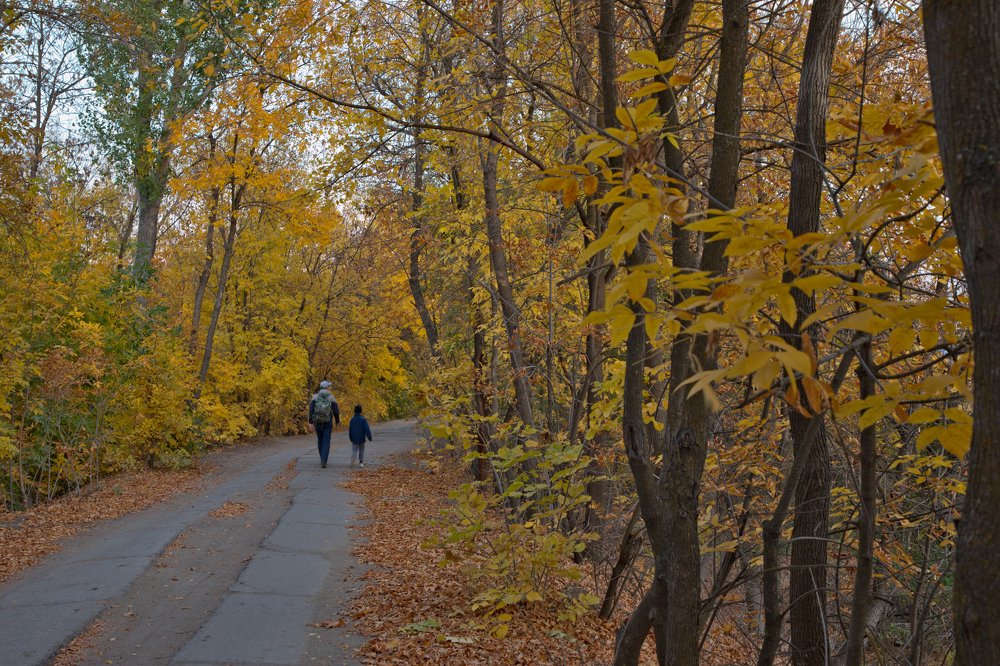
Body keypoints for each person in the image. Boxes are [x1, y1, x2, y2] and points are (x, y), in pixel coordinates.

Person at [308, 380, 340, 468]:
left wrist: (310, 422)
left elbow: (311, 410)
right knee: (326, 440)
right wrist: (337, 421)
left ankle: (322, 457)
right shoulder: (331, 397)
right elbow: (336, 411)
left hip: (317, 422)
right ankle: (324, 460)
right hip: (328, 422)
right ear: (327, 387)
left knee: (320, 439)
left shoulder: (315, 397)